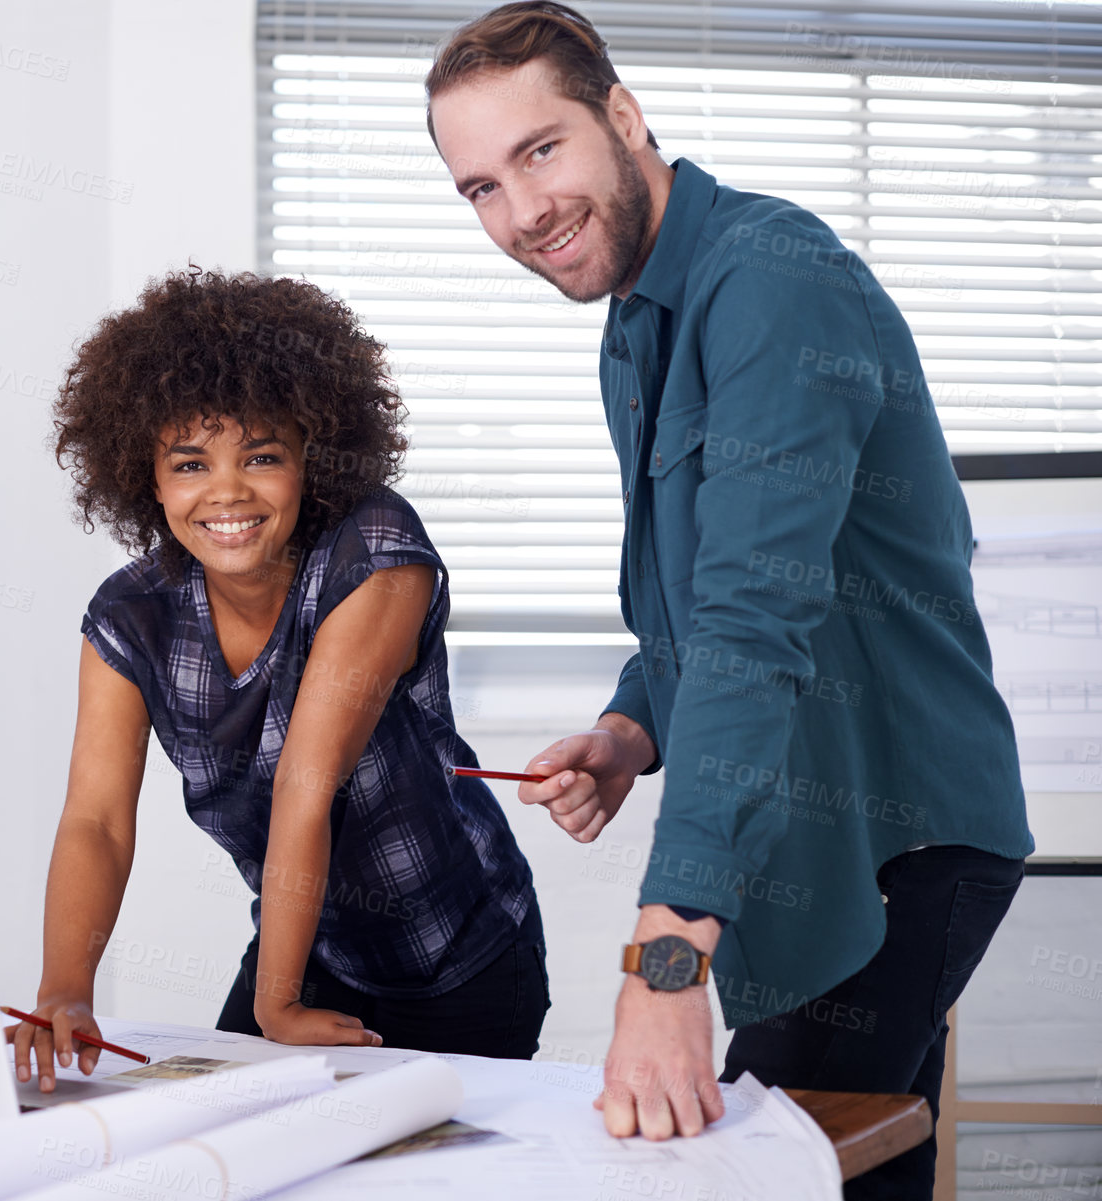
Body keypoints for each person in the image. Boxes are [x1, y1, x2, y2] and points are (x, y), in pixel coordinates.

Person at [424, 4, 1033, 1196]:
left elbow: (756, 622)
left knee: (760, 1168)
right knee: (844, 1168)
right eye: (478, 188)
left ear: (623, 114)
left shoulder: (770, 283)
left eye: (538, 151)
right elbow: (692, 609)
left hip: (895, 835)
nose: (520, 212)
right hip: (805, 832)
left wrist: (663, 964)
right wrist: (624, 731)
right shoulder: (636, 323)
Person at [9, 267, 547, 1093]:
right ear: (146, 478)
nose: (227, 491)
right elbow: (98, 819)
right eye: (189, 464)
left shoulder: (374, 552)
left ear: (312, 457)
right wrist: (63, 992)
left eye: (261, 456)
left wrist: (275, 1009)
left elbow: (307, 784)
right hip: (310, 946)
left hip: (460, 953)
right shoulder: (132, 616)